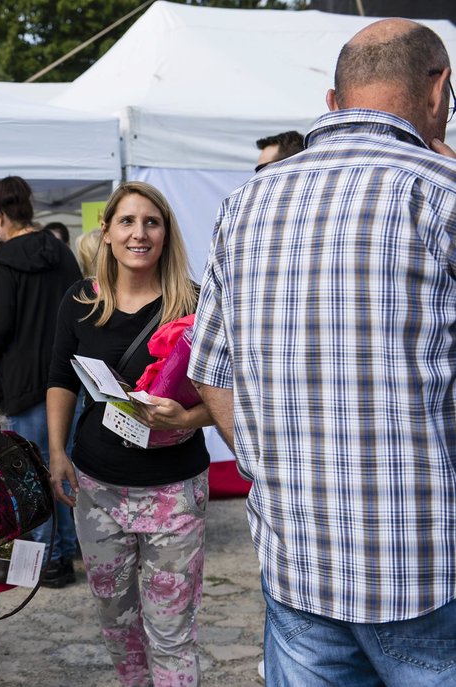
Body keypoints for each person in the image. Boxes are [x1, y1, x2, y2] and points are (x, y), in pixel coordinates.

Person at [189, 19, 456, 686]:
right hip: (429, 567)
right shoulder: (442, 193)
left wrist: (271, 471)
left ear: (335, 101)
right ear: (439, 87)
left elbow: (212, 372)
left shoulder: (244, 203)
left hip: (299, 556)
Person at [47, 182, 212, 685]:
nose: (139, 233)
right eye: (127, 221)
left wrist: (185, 420)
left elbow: (231, 393)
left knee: (171, 631)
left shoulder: (196, 304)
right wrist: (57, 451)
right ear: (107, 230)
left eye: (151, 222)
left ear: (166, 232)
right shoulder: (80, 302)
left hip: (174, 491)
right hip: (99, 488)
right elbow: (60, 379)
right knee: (118, 627)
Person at [0, 176, 82, 588]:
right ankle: (65, 553)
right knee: (64, 470)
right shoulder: (61, 251)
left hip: (23, 382)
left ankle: (49, 560)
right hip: (68, 379)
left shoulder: (2, 262)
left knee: (34, 475)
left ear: (0, 217)